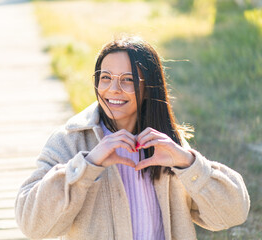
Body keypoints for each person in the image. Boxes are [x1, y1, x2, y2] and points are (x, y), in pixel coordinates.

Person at [15, 36, 250, 240]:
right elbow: (31, 224)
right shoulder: (70, 140)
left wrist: (186, 162)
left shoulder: (167, 144)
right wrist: (87, 166)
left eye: (127, 80)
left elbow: (233, 213)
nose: (113, 89)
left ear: (149, 87)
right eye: (105, 77)